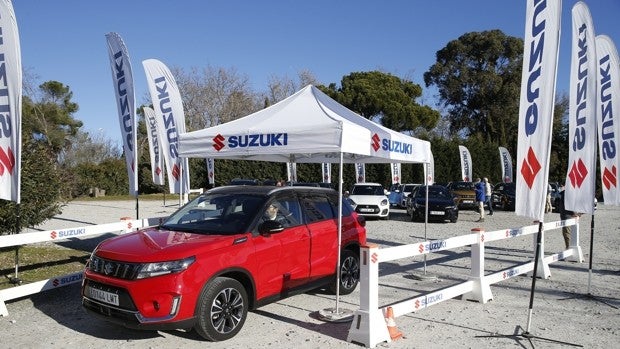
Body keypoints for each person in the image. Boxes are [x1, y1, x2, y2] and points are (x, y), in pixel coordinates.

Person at [557, 184, 580, 249]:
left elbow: (569, 204)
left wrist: (574, 213)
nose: (561, 187)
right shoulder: (565, 193)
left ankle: (568, 248)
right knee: (568, 233)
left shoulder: (566, 194)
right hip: (566, 215)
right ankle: (569, 247)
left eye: (562, 186)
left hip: (567, 216)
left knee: (567, 233)